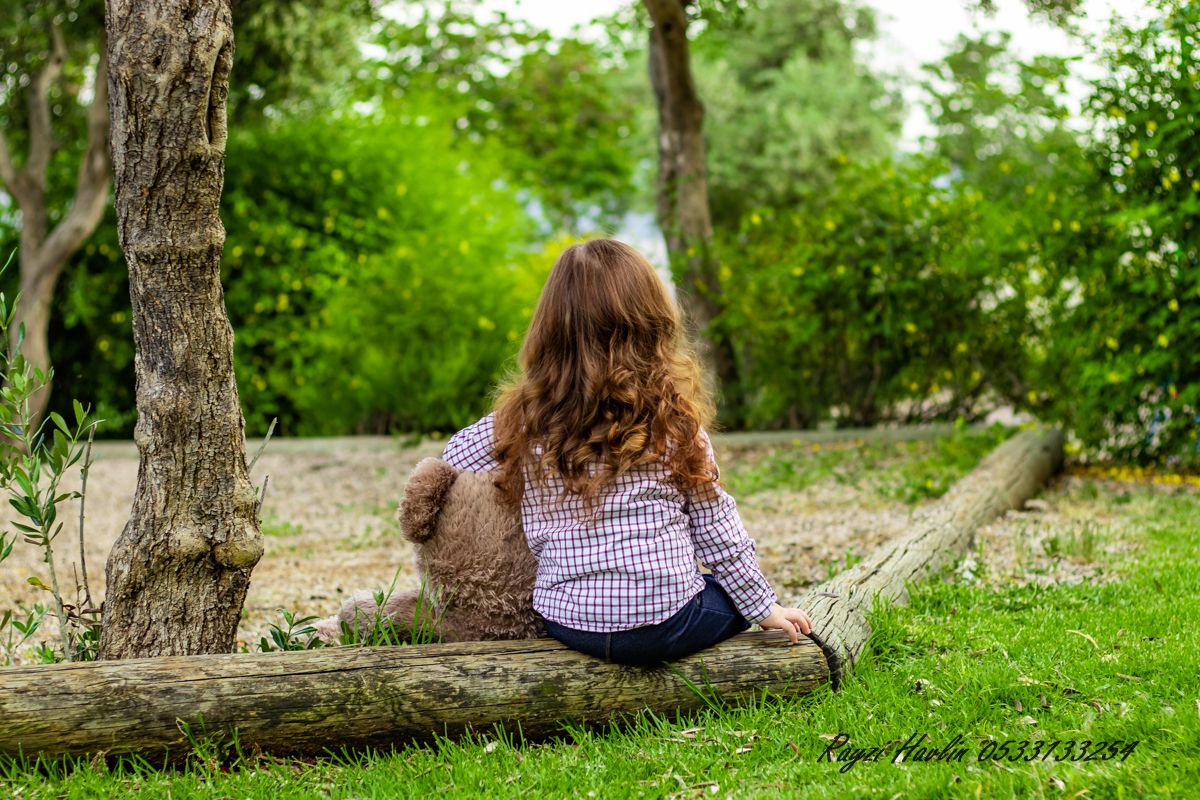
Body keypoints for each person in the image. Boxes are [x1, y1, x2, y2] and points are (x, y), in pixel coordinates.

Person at [441, 238, 812, 666]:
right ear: (651, 326)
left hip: (569, 622)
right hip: (667, 621)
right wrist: (764, 609)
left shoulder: (526, 420)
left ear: (549, 331)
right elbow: (717, 532)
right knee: (728, 594)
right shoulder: (674, 424)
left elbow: (455, 456)